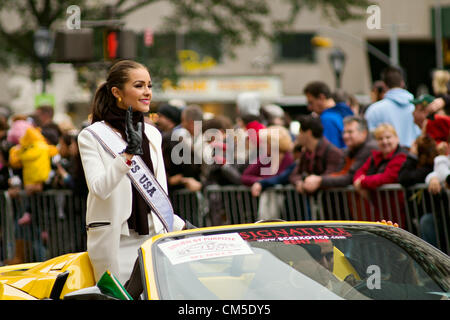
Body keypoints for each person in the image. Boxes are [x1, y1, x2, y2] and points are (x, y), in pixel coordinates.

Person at [77, 60, 186, 285]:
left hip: (154, 236)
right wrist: (126, 156)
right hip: (117, 239)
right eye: (139, 86)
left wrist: (178, 225)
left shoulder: (153, 134)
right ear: (117, 92)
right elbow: (99, 189)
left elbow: (158, 190)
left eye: (149, 85)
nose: (147, 92)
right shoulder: (92, 135)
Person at [302, 116, 378, 193]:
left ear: (364, 133)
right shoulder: (349, 150)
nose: (345, 136)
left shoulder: (370, 148)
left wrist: (320, 180)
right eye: (344, 132)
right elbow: (339, 172)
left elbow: (351, 177)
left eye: (350, 132)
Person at [353, 123, 408, 224]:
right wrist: (360, 180)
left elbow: (387, 177)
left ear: (397, 138)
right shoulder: (375, 156)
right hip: (380, 207)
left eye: (388, 137)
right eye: (380, 139)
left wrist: (362, 182)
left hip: (398, 208)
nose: (384, 141)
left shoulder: (401, 156)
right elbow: (359, 172)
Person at [364, 66, 421, 148]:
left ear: (383, 85)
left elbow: (369, 140)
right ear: (402, 83)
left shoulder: (374, 110)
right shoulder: (417, 108)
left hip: (388, 158)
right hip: (414, 156)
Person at [289, 115, 344, 194]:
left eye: (300, 132)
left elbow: (331, 176)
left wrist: (316, 181)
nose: (298, 136)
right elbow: (294, 174)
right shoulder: (306, 153)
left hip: (333, 202)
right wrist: (299, 182)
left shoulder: (332, 152)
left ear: (308, 133)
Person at [303, 81, 353, 149]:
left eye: (311, 102)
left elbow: (330, 151)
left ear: (321, 97)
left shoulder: (326, 119)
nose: (309, 108)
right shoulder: (342, 112)